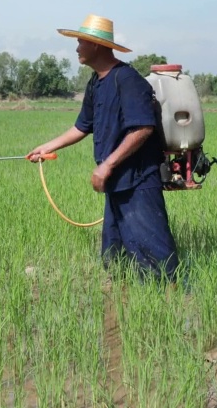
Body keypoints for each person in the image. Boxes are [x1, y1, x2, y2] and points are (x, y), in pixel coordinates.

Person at [28, 14, 180, 280]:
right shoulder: (96, 82)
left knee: (157, 262)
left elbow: (143, 128)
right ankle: (121, 306)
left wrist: (107, 165)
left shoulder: (128, 80)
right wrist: (47, 146)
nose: (76, 49)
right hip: (115, 181)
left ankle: (172, 303)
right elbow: (82, 127)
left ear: (95, 45)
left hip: (138, 182)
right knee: (116, 259)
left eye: (80, 43)